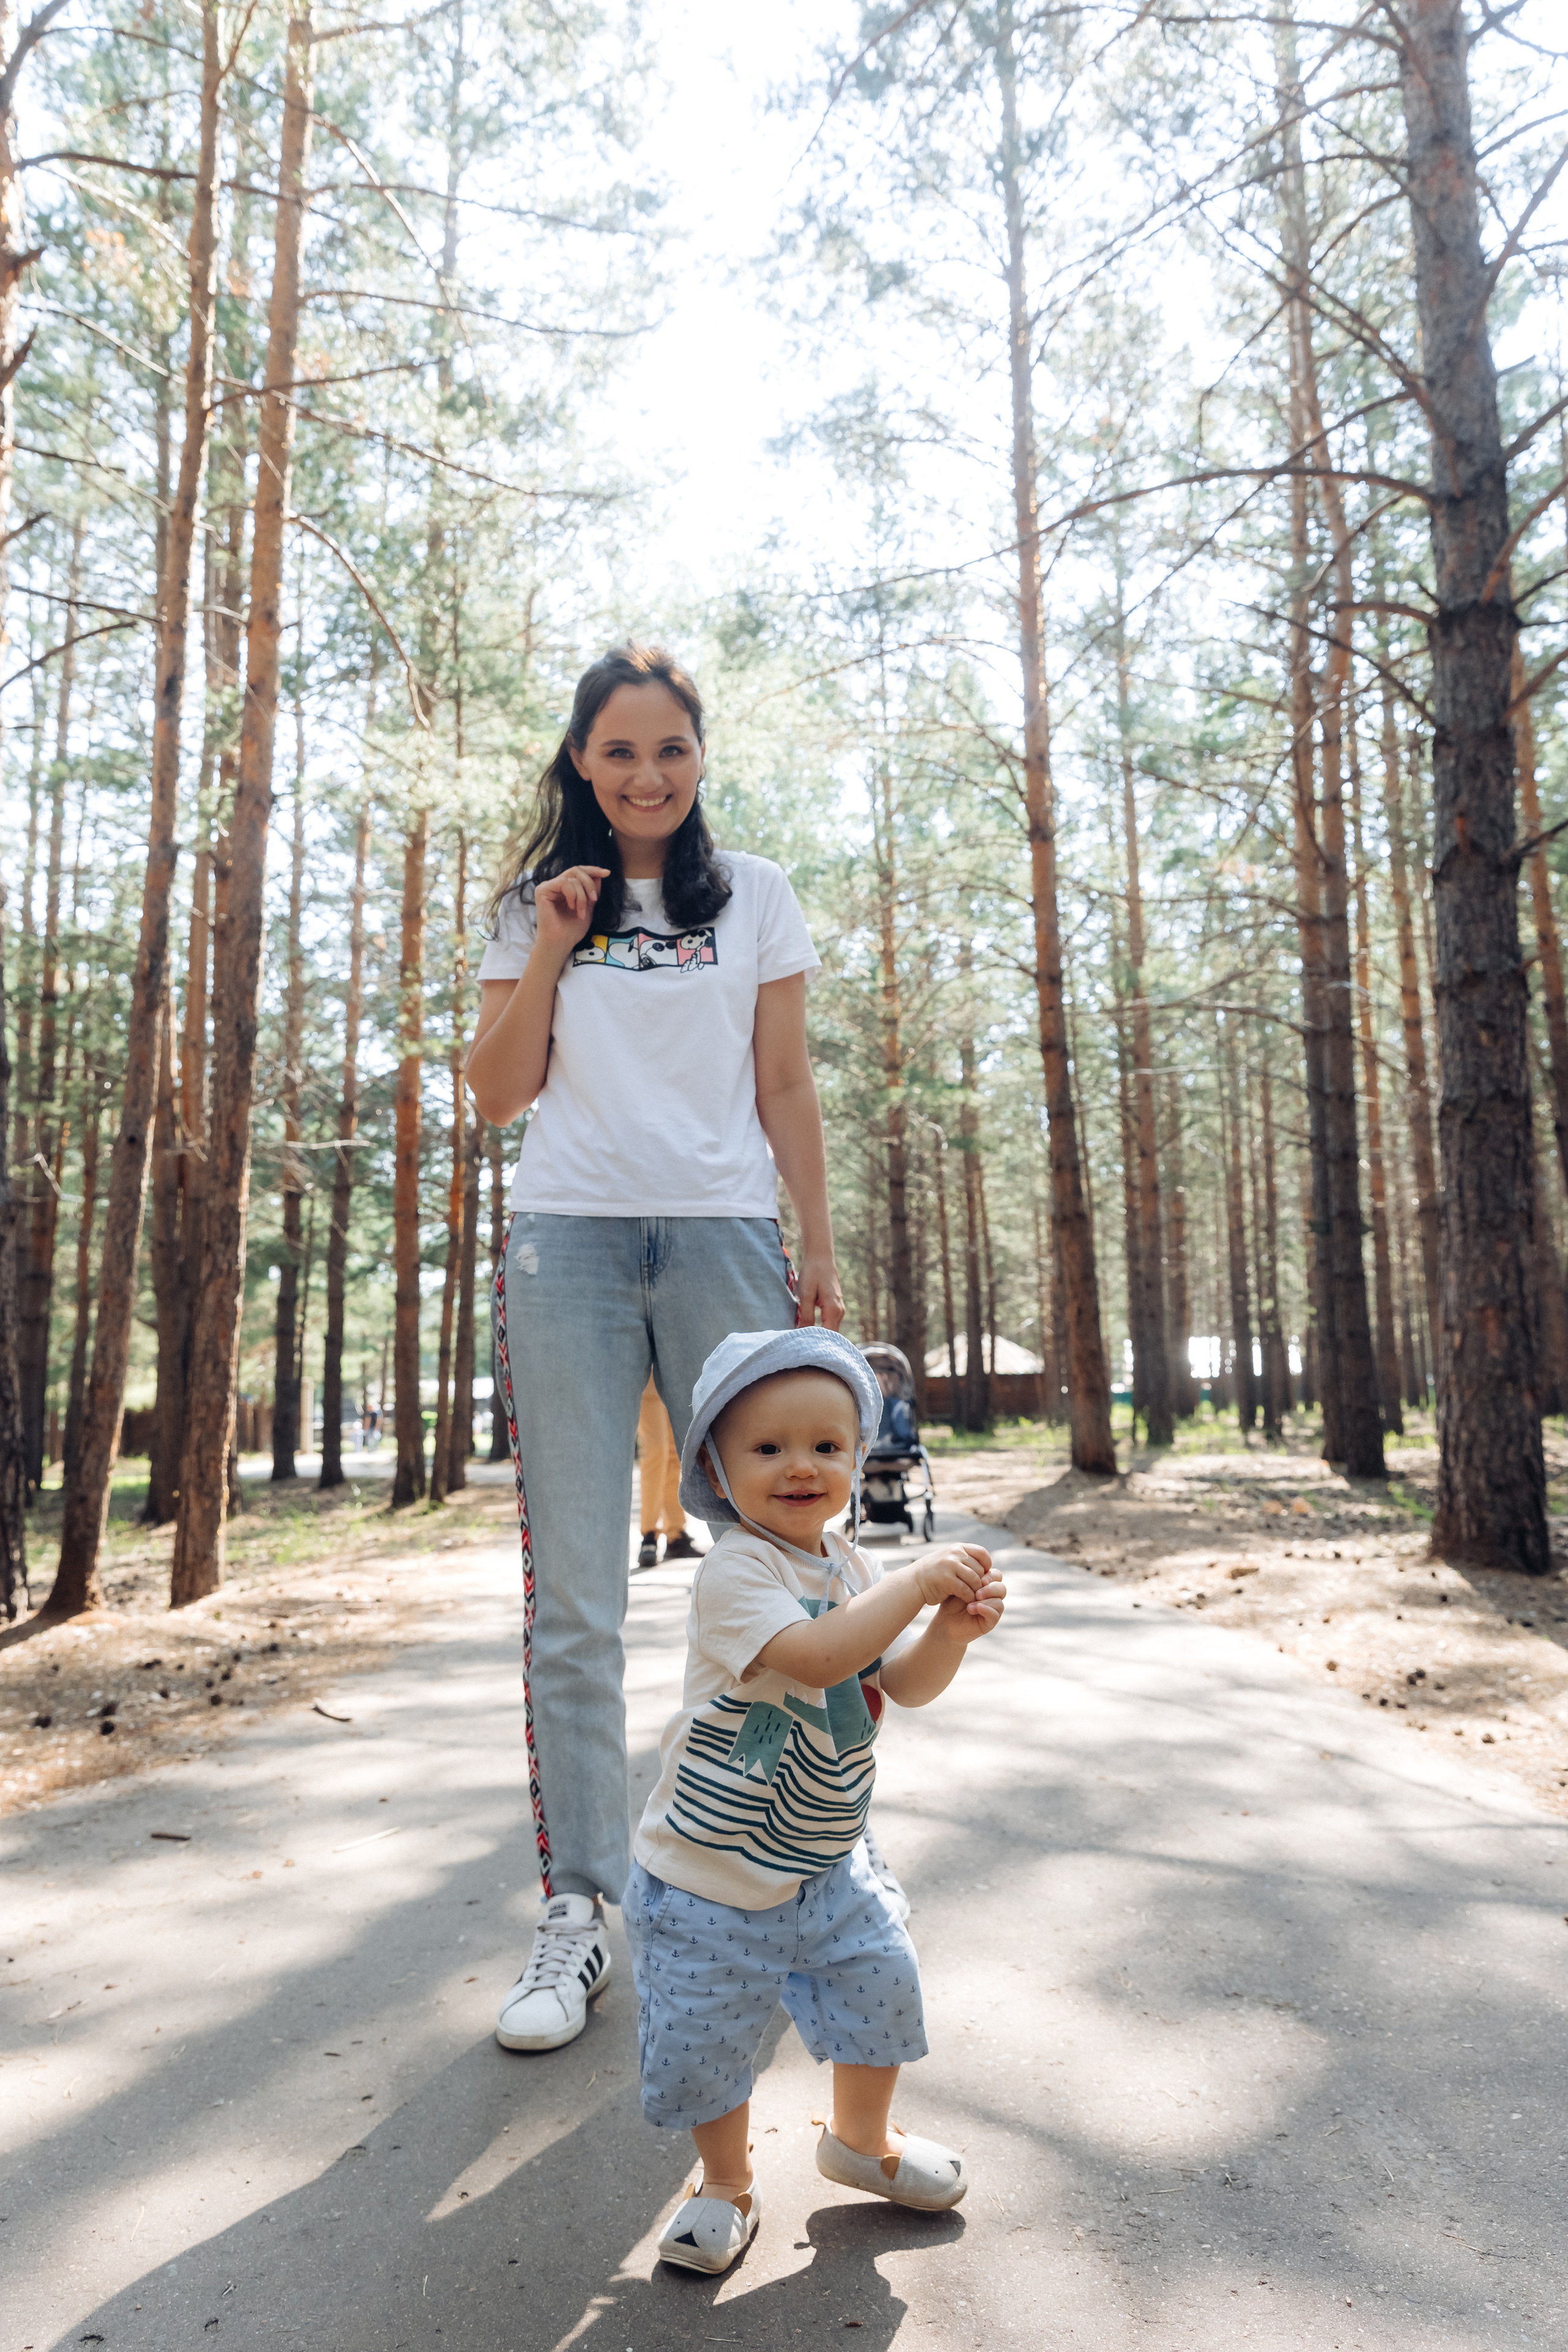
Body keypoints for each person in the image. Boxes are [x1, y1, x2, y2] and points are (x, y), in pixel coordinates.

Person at [466, 643, 846, 2057]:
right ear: (581, 759)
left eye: (670, 749)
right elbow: (498, 1094)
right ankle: (579, 1913)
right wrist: (555, 941)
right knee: (577, 1594)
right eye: (619, 750)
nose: (646, 773)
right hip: (564, 1240)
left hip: (721, 1239)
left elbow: (784, 1078)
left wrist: (812, 1238)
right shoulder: (531, 905)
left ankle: (789, 1878)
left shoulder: (754, 893)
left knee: (779, 1567)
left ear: (699, 756)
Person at [624, 1325, 1006, 2275]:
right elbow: (822, 1656)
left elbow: (894, 1684)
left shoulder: (851, 1566)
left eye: (827, 1447)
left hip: (828, 1855)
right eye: (769, 1448)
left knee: (879, 1990)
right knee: (710, 2038)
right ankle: (723, 2183)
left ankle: (860, 2145)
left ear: (857, 1457)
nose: (802, 1467)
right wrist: (920, 1580)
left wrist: (949, 1633)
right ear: (714, 1464)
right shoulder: (735, 1572)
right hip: (712, 1871)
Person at [636, 1376, 698, 1569]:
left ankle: (676, 1534)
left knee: (675, 1454)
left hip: (673, 1377)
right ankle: (649, 1535)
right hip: (645, 1378)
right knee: (656, 1450)